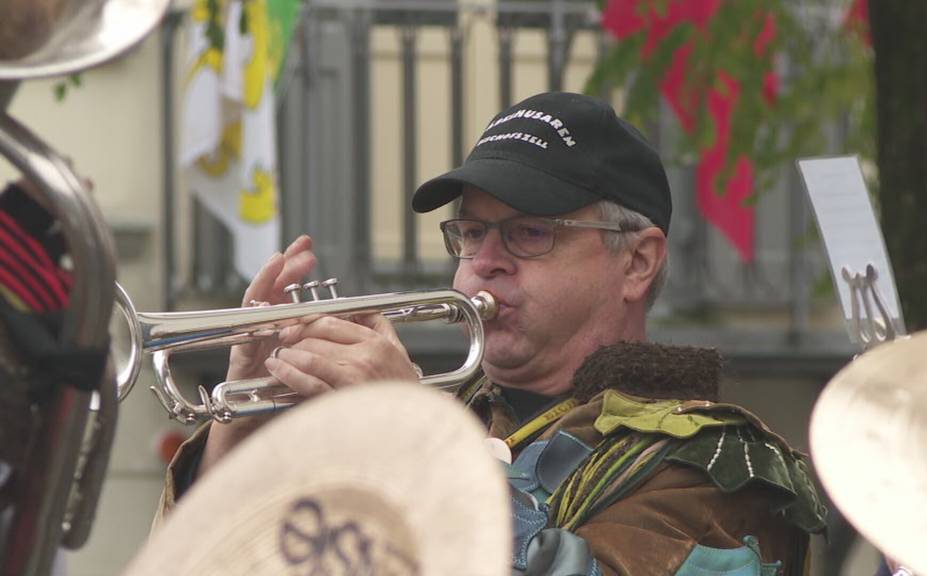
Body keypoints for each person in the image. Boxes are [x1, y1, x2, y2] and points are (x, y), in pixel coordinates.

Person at [158, 92, 826, 575]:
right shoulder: (445, 422)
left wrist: (420, 442)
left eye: (530, 232)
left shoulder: (717, 467)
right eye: (471, 232)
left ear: (638, 261)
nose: (484, 260)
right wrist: (234, 429)